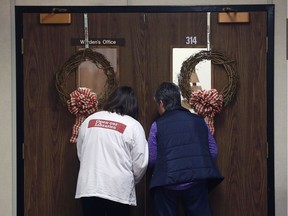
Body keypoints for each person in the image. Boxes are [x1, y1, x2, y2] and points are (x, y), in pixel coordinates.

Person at [148, 82, 224, 216]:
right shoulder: (199, 121)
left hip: (167, 183)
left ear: (161, 103)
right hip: (196, 181)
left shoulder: (157, 125)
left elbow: (152, 160)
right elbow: (213, 151)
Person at [75, 86, 149, 216]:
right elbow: (140, 163)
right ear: (132, 105)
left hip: (89, 186)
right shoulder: (133, 125)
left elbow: (81, 152)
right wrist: (131, 180)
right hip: (118, 189)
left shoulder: (90, 120)